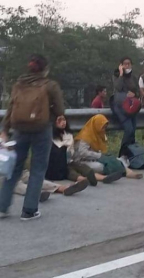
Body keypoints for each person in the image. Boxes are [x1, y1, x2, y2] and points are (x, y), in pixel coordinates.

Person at [0, 54, 65, 221]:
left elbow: (10, 108)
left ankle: (2, 207)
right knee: (37, 169)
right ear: (45, 69)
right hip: (41, 129)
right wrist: (58, 118)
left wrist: (5, 129)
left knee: (14, 169)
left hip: (19, 130)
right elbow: (59, 109)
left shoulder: (18, 84)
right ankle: (29, 210)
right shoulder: (50, 85)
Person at [47, 116, 119, 185]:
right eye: (59, 121)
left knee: (84, 168)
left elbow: (71, 151)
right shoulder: (51, 136)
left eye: (64, 120)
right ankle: (83, 180)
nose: (63, 122)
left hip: (71, 160)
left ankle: (103, 178)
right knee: (70, 171)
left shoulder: (68, 134)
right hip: (58, 164)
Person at [73, 114, 142, 180]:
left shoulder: (99, 135)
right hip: (82, 161)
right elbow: (83, 153)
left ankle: (128, 172)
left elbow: (102, 150)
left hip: (96, 158)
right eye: (102, 127)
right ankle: (118, 173)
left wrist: (103, 156)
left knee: (118, 160)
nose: (103, 130)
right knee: (100, 166)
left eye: (105, 128)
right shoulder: (85, 136)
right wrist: (99, 156)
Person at [112, 57, 139, 151]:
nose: (127, 66)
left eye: (129, 64)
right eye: (125, 64)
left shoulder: (133, 77)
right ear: (121, 65)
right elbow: (118, 87)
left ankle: (131, 154)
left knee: (133, 132)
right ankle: (122, 153)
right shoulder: (116, 75)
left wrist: (134, 94)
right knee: (129, 130)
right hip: (121, 107)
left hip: (131, 107)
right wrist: (121, 74)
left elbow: (138, 91)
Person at [15, 169, 88, 200]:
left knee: (32, 177)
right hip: (4, 172)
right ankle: (36, 193)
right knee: (16, 184)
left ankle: (62, 188)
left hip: (16, 168)